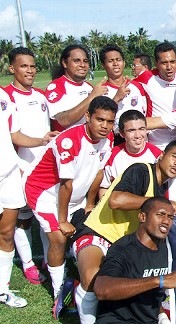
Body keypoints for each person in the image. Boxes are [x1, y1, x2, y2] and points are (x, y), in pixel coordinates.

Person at [73, 140, 176, 323]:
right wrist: (157, 202)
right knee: (92, 280)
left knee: (139, 284)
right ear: (161, 156)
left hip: (124, 246)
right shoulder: (141, 171)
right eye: (174, 156)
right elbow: (116, 200)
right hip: (98, 234)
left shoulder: (162, 189)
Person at [23, 96, 116, 315]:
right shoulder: (69, 141)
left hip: (74, 194)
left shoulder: (109, 138)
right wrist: (62, 220)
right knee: (59, 238)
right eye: (100, 119)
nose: (105, 126)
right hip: (45, 192)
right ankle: (59, 293)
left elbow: (99, 172)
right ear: (87, 117)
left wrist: (90, 203)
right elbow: (66, 184)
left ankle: (73, 272)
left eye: (110, 121)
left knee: (84, 230)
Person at [93, 196, 176, 323]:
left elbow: (149, 296)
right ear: (142, 217)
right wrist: (160, 280)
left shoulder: (165, 248)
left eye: (170, 217)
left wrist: (163, 318)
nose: (166, 221)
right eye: (160, 215)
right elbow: (102, 290)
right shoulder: (124, 249)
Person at [0, 88, 57, 308]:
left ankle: (3, 291)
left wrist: (42, 141)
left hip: (9, 173)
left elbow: (14, 134)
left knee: (6, 232)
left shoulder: (4, 97)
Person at [4, 47, 51, 285]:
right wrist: (40, 141)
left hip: (43, 168)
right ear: (12, 68)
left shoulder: (41, 96)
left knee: (45, 215)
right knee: (24, 219)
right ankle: (28, 263)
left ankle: (43, 259)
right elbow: (13, 137)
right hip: (21, 167)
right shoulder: (7, 97)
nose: (30, 70)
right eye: (24, 66)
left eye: (32, 66)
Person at [133, 42, 176, 149]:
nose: (169, 67)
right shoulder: (147, 78)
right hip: (157, 143)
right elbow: (124, 86)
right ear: (156, 63)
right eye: (164, 63)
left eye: (172, 62)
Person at [45, 45, 108, 131]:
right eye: (76, 61)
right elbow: (63, 120)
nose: (82, 65)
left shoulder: (89, 87)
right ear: (64, 63)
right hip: (67, 142)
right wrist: (92, 97)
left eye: (85, 61)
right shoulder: (56, 87)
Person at [100, 110, 162, 197]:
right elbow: (104, 188)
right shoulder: (112, 155)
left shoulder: (157, 155)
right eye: (131, 130)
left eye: (141, 129)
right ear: (122, 133)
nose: (137, 135)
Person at [100, 44, 147, 140]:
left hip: (140, 138)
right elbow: (101, 118)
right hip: (116, 138)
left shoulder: (137, 86)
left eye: (118, 60)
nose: (115, 64)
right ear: (103, 65)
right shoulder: (101, 90)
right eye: (110, 61)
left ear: (124, 62)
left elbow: (147, 111)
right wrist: (116, 99)